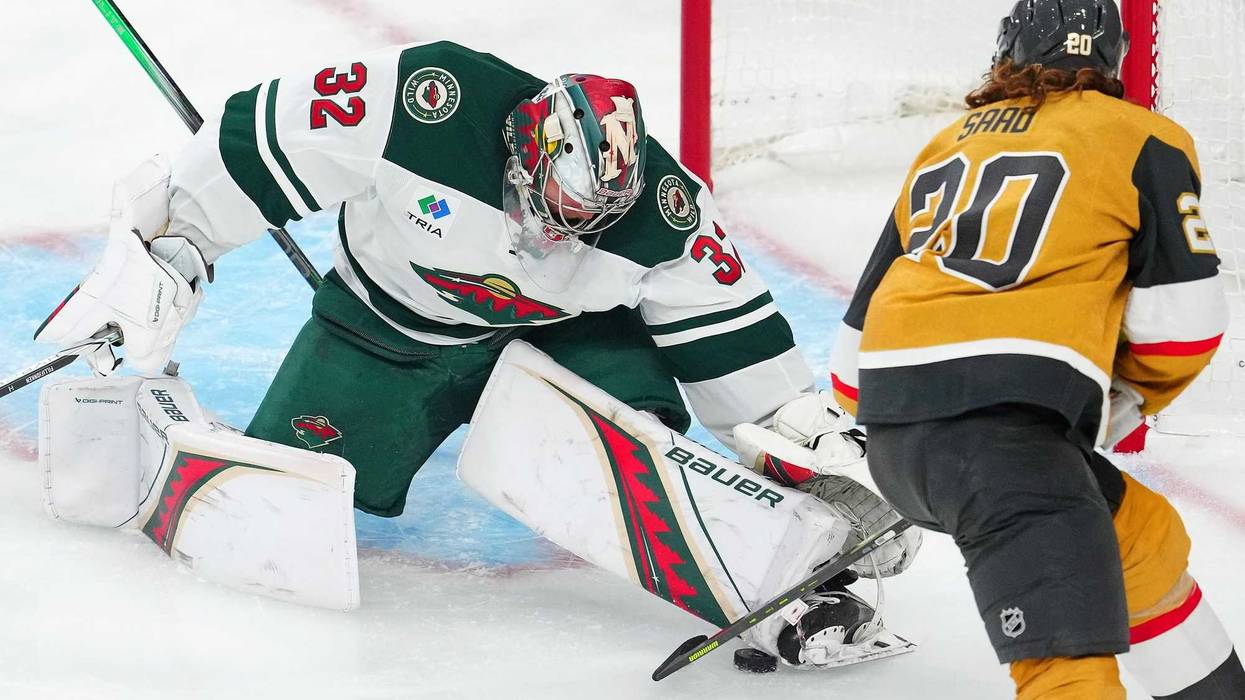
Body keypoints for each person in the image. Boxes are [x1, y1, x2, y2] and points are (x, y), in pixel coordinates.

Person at [34, 40, 917, 667]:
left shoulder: (666, 214)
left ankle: (791, 584)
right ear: (520, 144)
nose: (554, 231)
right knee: (268, 510)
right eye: (550, 203)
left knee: (629, 445)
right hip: (382, 333)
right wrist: (175, 247)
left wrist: (805, 450)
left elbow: (736, 341)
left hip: (558, 337)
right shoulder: (430, 100)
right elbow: (262, 135)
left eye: (585, 222)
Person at [829, 1, 1245, 697]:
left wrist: (923, 439)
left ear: (1005, 51)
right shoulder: (1142, 138)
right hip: (1005, 446)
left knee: (1141, 539)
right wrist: (1124, 399)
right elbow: (1184, 325)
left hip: (903, 439)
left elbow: (849, 361)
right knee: (1064, 671)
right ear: (1111, 59)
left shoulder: (947, 141)